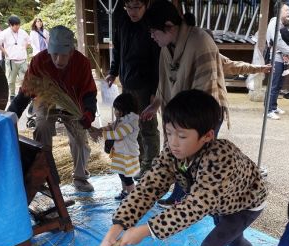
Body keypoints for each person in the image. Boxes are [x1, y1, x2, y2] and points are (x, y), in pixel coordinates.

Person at [97, 90, 268, 246]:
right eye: (168, 133)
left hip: (246, 204)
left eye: (182, 136)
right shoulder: (173, 152)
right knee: (233, 238)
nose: (173, 142)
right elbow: (148, 187)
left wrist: (144, 230)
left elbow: (196, 206)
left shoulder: (221, 157)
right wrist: (113, 232)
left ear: (207, 136)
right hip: (222, 205)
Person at [139, 0, 228, 208]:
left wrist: (184, 122)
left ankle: (195, 200)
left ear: (169, 26)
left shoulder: (200, 41)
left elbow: (204, 91)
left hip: (203, 113)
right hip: (182, 114)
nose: (152, 36)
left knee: (194, 158)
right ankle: (183, 196)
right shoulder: (166, 46)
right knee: (180, 154)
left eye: (154, 31)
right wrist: (155, 104)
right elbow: (164, 83)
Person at [7, 25, 98, 192]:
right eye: (54, 54)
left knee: (80, 138)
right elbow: (26, 91)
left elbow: (89, 92)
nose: (58, 60)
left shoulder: (82, 63)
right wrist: (10, 116)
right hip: (46, 100)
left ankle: (80, 178)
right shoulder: (39, 61)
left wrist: (88, 113)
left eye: (63, 55)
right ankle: (44, 178)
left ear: (71, 52)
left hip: (73, 101)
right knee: (42, 128)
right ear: (49, 50)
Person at [106, 0, 161, 179]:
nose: (132, 11)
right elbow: (117, 49)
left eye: (137, 7)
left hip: (146, 85)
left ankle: (151, 167)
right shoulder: (122, 22)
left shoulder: (151, 25)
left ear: (146, 6)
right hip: (127, 83)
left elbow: (157, 61)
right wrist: (113, 72)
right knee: (129, 124)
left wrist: (155, 91)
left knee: (148, 127)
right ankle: (137, 163)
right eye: (129, 7)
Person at [90, 93, 140, 200]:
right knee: (121, 174)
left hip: (127, 155)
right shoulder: (121, 119)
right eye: (115, 109)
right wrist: (100, 129)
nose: (115, 111)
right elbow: (112, 126)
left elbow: (118, 134)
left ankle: (132, 198)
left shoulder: (131, 122)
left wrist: (102, 134)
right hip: (120, 154)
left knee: (127, 178)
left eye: (117, 109)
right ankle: (125, 192)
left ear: (126, 109)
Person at [265, 3, 289, 120]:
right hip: (276, 58)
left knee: (278, 85)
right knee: (274, 85)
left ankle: (273, 106)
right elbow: (277, 40)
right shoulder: (274, 22)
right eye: (286, 10)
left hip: (283, 58)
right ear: (279, 11)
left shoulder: (283, 24)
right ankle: (268, 110)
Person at [0, 15, 30, 99]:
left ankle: (22, 94)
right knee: (11, 80)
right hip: (12, 60)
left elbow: (29, 40)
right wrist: (5, 52)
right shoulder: (5, 33)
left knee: (24, 79)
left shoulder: (22, 32)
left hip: (23, 59)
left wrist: (24, 47)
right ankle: (12, 95)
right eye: (16, 25)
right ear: (10, 25)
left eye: (18, 25)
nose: (18, 27)